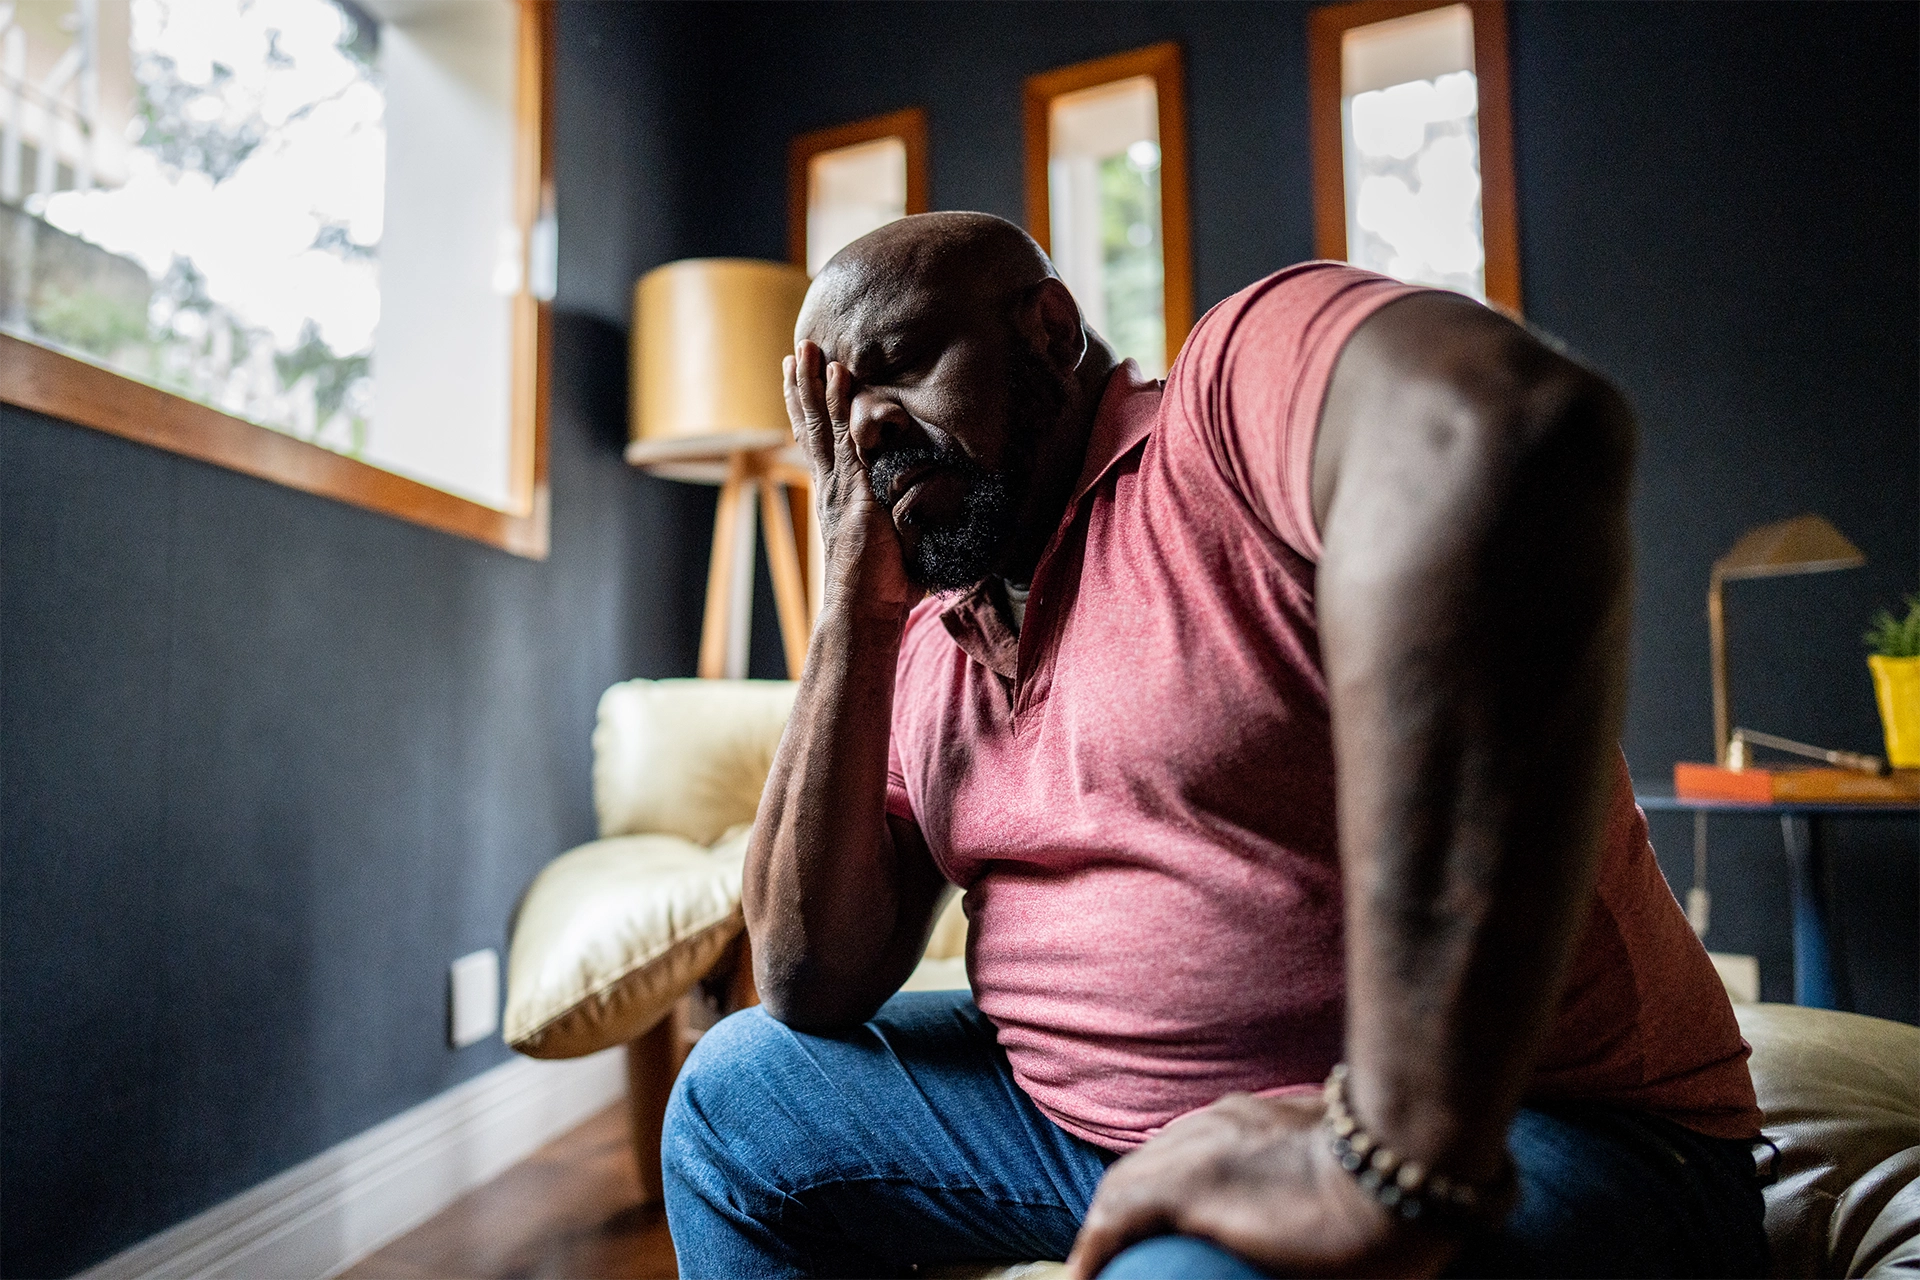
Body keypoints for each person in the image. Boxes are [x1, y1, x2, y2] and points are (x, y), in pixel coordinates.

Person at [661, 212, 1767, 1279]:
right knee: (733, 1100)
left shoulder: (1222, 410)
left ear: (1048, 332)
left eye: (898, 365)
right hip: (1090, 1133)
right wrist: (852, 598)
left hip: (1547, 1130)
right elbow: (809, 977)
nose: (868, 428)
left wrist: (1391, 1162)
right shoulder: (919, 631)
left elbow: (1499, 425)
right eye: (835, 411)